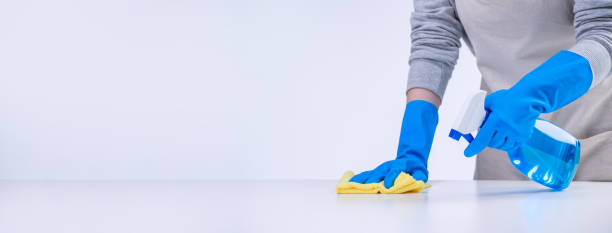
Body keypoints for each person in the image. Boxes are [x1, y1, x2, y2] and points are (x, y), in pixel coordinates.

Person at [349, 0, 612, 188]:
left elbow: (604, 32)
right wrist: (412, 146)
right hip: (502, 147)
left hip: (592, 140)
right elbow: (433, 41)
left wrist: (531, 94)